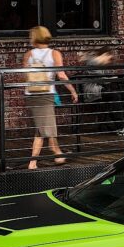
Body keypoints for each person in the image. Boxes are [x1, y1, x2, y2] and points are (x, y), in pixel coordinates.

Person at [22, 26, 78, 169]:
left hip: (31, 94)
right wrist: (72, 90)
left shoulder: (29, 54)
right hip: (46, 94)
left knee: (44, 126)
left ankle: (56, 154)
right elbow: (61, 75)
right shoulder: (54, 53)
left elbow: (25, 76)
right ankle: (36, 161)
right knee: (44, 129)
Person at [80, 47, 124, 137]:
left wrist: (115, 78)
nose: (109, 61)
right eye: (109, 58)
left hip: (100, 89)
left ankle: (123, 126)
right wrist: (115, 78)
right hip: (92, 91)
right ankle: (121, 127)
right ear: (104, 55)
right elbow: (102, 80)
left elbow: (107, 76)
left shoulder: (100, 64)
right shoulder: (92, 63)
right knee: (115, 96)